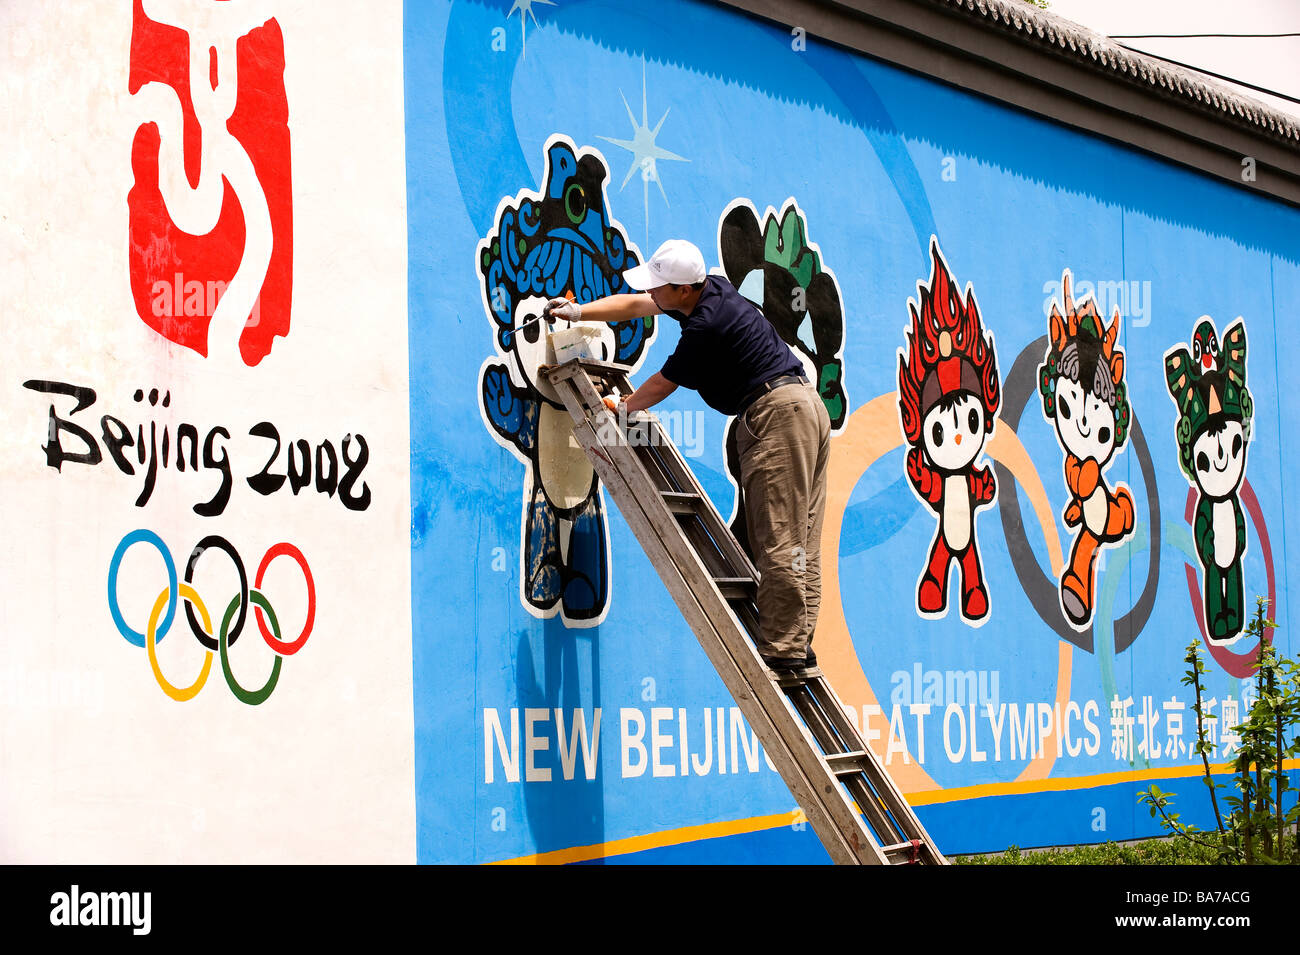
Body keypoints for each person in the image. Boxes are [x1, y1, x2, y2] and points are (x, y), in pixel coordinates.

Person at [547, 239, 830, 672]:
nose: (653, 294)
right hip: (804, 408)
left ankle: (782, 648)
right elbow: (635, 306)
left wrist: (622, 408)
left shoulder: (706, 326)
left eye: (660, 287)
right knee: (801, 539)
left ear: (683, 290)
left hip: (777, 415)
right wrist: (577, 312)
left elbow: (663, 383)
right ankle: (797, 641)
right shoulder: (709, 290)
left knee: (780, 536)